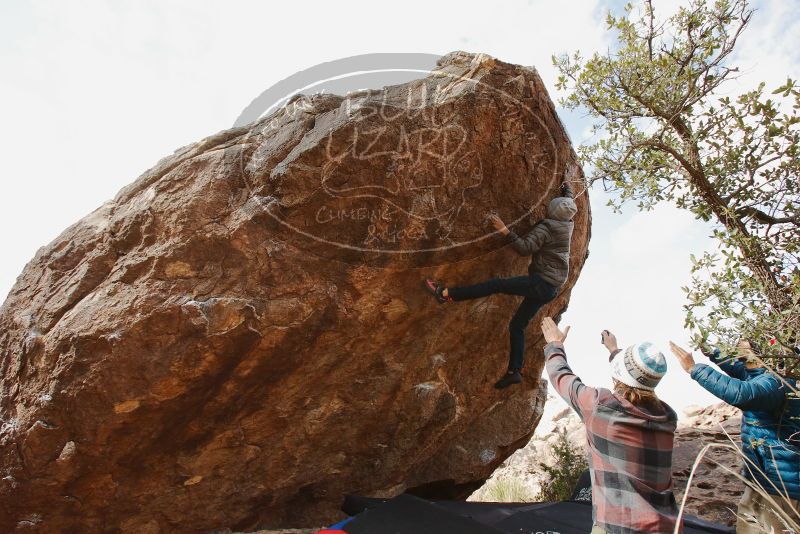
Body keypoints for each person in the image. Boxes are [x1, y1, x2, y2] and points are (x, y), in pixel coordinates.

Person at [423, 178, 577, 389]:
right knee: (517, 326)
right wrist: (567, 187)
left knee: (498, 284)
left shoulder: (549, 228)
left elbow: (524, 248)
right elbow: (569, 201)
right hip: (551, 288)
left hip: (541, 282)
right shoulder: (568, 222)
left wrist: (504, 230)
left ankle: (447, 293)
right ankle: (515, 371)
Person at [540, 317, 681, 534]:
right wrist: (614, 351)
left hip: (620, 527)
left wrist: (555, 344)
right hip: (667, 527)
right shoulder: (667, 419)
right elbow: (640, 384)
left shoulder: (602, 408)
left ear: (619, 375)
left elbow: (561, 376)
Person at [669, 338, 800, 533]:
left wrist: (694, 369)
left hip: (779, 487)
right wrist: (711, 351)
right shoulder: (766, 371)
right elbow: (740, 369)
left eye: (744, 341)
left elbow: (742, 393)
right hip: (769, 479)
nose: (738, 342)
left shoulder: (776, 382)